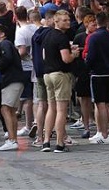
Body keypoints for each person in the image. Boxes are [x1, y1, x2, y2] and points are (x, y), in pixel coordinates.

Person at [41, 10, 79, 153]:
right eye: (64, 20)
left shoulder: (47, 36)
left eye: (68, 20)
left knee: (51, 108)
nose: (67, 22)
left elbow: (44, 55)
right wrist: (74, 54)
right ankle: (59, 143)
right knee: (61, 110)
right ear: (55, 21)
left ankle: (45, 142)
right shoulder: (62, 37)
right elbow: (66, 59)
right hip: (60, 74)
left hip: (47, 74)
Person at [85, 12, 109, 145]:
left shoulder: (92, 37)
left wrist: (87, 65)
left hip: (97, 73)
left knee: (100, 104)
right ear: (108, 22)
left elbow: (90, 56)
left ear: (97, 22)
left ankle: (103, 133)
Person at [0, 23, 24, 151]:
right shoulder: (8, 44)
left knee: (5, 108)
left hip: (12, 80)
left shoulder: (4, 44)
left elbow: (7, 58)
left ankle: (12, 139)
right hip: (16, 80)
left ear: (2, 34)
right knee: (10, 110)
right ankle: (13, 139)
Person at [30, 9, 54, 147]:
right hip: (50, 71)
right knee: (54, 105)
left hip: (38, 71)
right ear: (50, 20)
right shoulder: (51, 33)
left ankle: (39, 137)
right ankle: (56, 134)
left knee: (41, 104)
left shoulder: (36, 34)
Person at [14, 5, 36, 137]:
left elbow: (22, 51)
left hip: (26, 67)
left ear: (16, 17)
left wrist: (14, 57)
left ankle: (28, 125)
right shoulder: (34, 27)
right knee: (34, 97)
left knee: (28, 98)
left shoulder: (21, 31)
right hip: (35, 65)